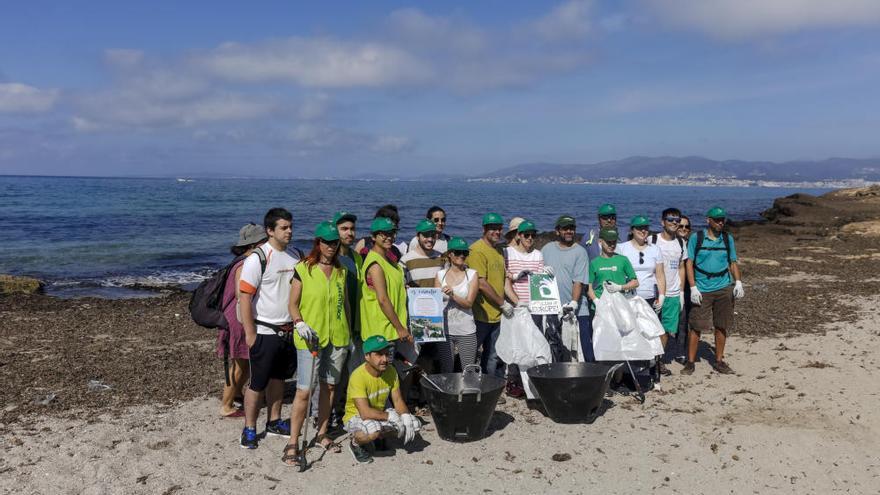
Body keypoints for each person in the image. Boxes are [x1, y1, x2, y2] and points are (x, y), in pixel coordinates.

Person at [282, 222, 351, 465]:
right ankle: (293, 440)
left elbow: (345, 306)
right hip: (309, 337)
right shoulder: (303, 268)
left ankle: (322, 433)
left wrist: (350, 331)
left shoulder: (342, 271)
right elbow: (292, 304)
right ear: (318, 242)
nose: (331, 247)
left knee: (329, 387)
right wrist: (299, 322)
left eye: (334, 242)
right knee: (304, 390)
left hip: (338, 338)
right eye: (327, 242)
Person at [238, 208, 299, 449]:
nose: (289, 231)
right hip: (264, 330)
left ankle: (274, 421)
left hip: (288, 330)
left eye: (290, 226)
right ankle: (250, 428)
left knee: (279, 379)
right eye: (284, 227)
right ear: (270, 230)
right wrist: (250, 333)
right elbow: (244, 297)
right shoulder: (258, 258)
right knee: (257, 383)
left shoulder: (296, 255)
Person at [683, 207, 744, 375]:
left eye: (722, 219)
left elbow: (732, 262)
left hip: (724, 287)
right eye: (717, 219)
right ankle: (690, 362)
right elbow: (689, 263)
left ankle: (719, 361)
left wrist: (738, 282)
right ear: (707, 220)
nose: (720, 222)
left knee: (722, 325)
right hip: (702, 288)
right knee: (696, 326)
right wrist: (693, 286)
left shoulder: (727, 239)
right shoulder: (697, 237)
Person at [343, 335, 421, 464]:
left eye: (387, 354)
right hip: (355, 416)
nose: (385, 359)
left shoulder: (391, 371)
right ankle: (355, 443)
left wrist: (406, 416)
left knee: (415, 424)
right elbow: (365, 412)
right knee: (373, 430)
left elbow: (398, 400)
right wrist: (389, 416)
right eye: (379, 355)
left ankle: (378, 438)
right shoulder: (357, 376)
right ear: (367, 356)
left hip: (378, 412)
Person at [218, 223, 267, 418]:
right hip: (238, 318)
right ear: (254, 244)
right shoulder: (246, 263)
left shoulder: (240, 261)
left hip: (235, 316)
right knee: (239, 363)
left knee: (245, 360)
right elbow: (242, 294)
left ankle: (237, 393)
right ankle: (226, 405)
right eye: (263, 241)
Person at [467, 213, 515, 379]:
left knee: (493, 354)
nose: (497, 232)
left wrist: (516, 302)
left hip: (497, 315)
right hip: (481, 314)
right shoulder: (476, 250)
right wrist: (503, 303)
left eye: (499, 228)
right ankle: (469, 385)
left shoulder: (499, 251)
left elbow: (503, 282)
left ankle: (489, 388)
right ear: (484, 229)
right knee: (471, 353)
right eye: (492, 228)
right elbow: (481, 283)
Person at [359, 217, 413, 357]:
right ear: (373, 237)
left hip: (389, 329)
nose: (389, 237)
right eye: (384, 234)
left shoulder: (388, 260)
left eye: (392, 233)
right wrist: (400, 328)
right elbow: (382, 299)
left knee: (389, 371)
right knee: (382, 373)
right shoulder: (375, 264)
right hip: (380, 331)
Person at [541, 215, 592, 361]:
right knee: (554, 347)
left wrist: (573, 303)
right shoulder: (546, 249)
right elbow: (538, 275)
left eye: (572, 228)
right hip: (552, 308)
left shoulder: (580, 252)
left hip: (576, 310)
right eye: (565, 228)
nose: (569, 231)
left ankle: (585, 380)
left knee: (582, 349)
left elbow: (578, 281)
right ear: (557, 231)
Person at [648, 208, 688, 374]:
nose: (674, 223)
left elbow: (681, 267)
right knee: (649, 329)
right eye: (670, 219)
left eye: (677, 220)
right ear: (662, 221)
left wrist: (681, 292)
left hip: (672, 294)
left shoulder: (681, 243)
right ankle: (646, 361)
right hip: (653, 292)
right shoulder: (652, 239)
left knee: (666, 331)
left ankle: (658, 362)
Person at [434, 237, 480, 371]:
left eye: (465, 253)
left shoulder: (472, 274)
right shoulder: (440, 275)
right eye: (458, 252)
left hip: (466, 330)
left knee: (469, 369)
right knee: (446, 369)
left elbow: (469, 303)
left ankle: (468, 392)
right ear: (450, 254)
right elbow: (434, 304)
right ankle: (449, 392)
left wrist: (452, 295)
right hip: (444, 331)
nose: (462, 256)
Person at [616, 215, 666, 310]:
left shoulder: (655, 249)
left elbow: (660, 275)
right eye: (639, 228)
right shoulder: (621, 248)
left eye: (645, 228)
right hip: (629, 298)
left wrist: (662, 296)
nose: (643, 231)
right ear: (632, 230)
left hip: (651, 297)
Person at [587, 227, 638, 306]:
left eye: (614, 242)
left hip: (620, 303)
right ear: (600, 241)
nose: (612, 245)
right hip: (600, 304)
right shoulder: (594, 263)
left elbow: (635, 283)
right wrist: (596, 301)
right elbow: (589, 288)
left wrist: (620, 287)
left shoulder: (623, 260)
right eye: (608, 242)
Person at [401, 219, 445, 288]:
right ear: (417, 236)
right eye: (426, 235)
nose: (430, 239)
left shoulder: (442, 258)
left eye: (433, 235)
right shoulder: (405, 260)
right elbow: (400, 284)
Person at [674, 215, 693, 361]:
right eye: (681, 226)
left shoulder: (692, 243)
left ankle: (680, 351)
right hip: (672, 287)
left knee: (685, 321)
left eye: (687, 227)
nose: (684, 229)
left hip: (690, 288)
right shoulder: (671, 243)